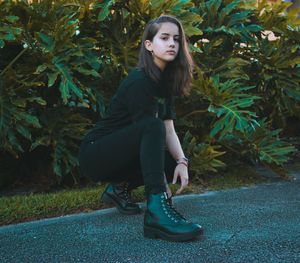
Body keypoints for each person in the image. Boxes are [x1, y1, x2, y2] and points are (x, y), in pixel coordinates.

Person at [78, 15, 204, 242]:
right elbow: (150, 131)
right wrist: (162, 193)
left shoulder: (163, 82)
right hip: (95, 153)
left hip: (121, 151)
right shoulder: (139, 81)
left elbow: (168, 129)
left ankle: (117, 189)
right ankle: (157, 215)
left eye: (176, 39)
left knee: (171, 162)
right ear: (149, 45)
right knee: (151, 128)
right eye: (164, 38)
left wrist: (183, 162)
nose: (172, 43)